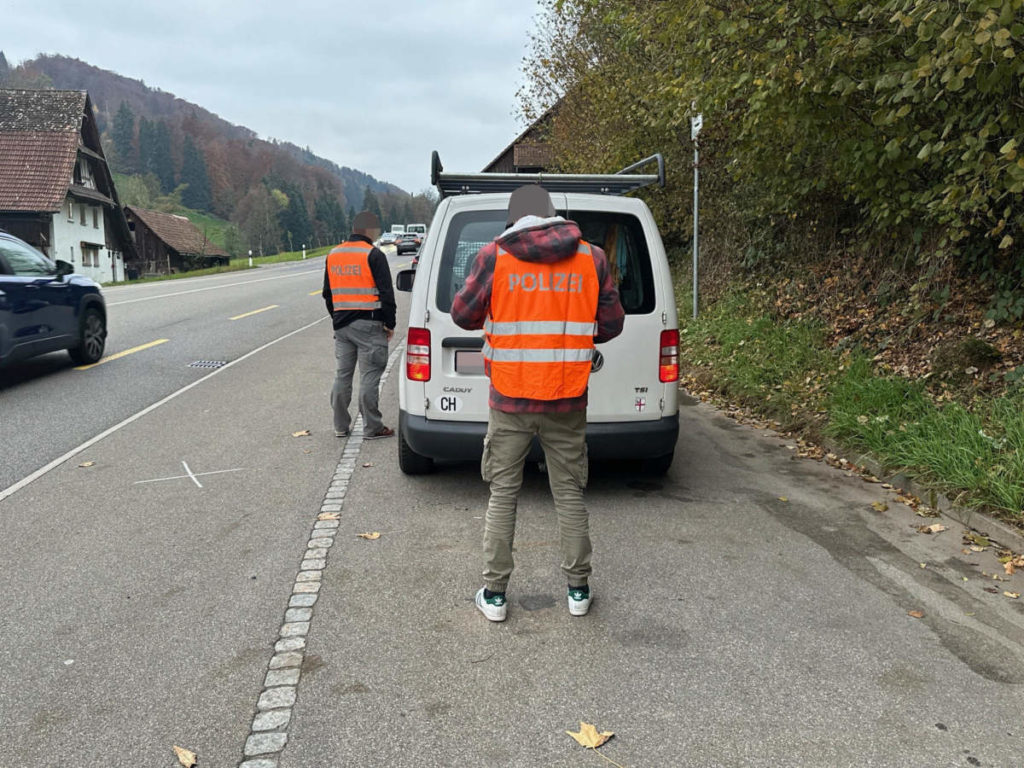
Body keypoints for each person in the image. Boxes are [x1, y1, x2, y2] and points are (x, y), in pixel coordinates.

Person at [451, 185, 625, 622]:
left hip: (509, 399)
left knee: (503, 494)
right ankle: (578, 591)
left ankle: (494, 596)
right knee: (568, 492)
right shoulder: (592, 258)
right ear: (552, 215)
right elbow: (612, 324)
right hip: (567, 399)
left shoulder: (495, 255)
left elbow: (462, 315)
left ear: (514, 219)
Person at [323, 210, 397, 440]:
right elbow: (386, 293)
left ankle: (340, 426)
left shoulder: (333, 255)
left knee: (342, 375)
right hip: (369, 324)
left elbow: (327, 294)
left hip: (342, 326)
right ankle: (372, 427)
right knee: (370, 374)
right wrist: (389, 323)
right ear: (368, 230)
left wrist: (337, 318)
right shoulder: (373, 254)